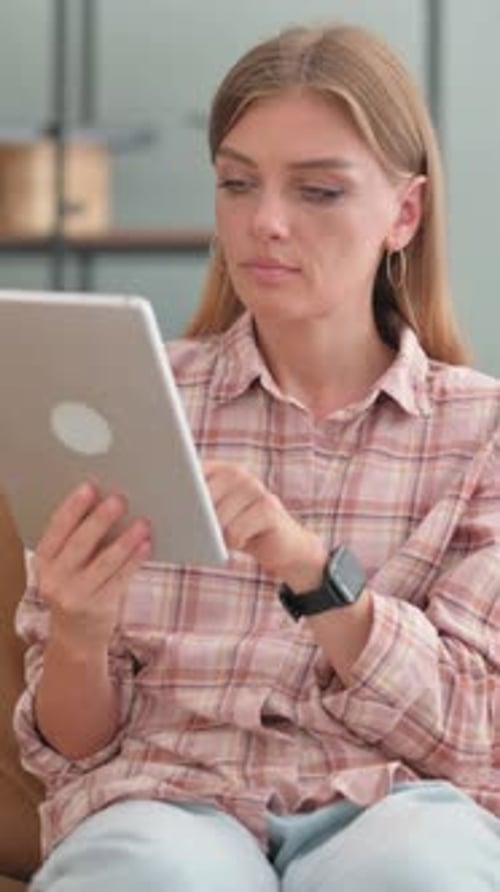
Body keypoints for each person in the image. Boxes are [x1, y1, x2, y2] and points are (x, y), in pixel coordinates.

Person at [13, 22, 500, 892]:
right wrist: (80, 633)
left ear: (405, 213)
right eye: (238, 184)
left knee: (423, 869)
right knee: (152, 873)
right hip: (167, 802)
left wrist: (316, 574)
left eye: (317, 191)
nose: (265, 222)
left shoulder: (482, 433)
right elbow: (71, 748)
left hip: (397, 806)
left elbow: (473, 732)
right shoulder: (128, 397)